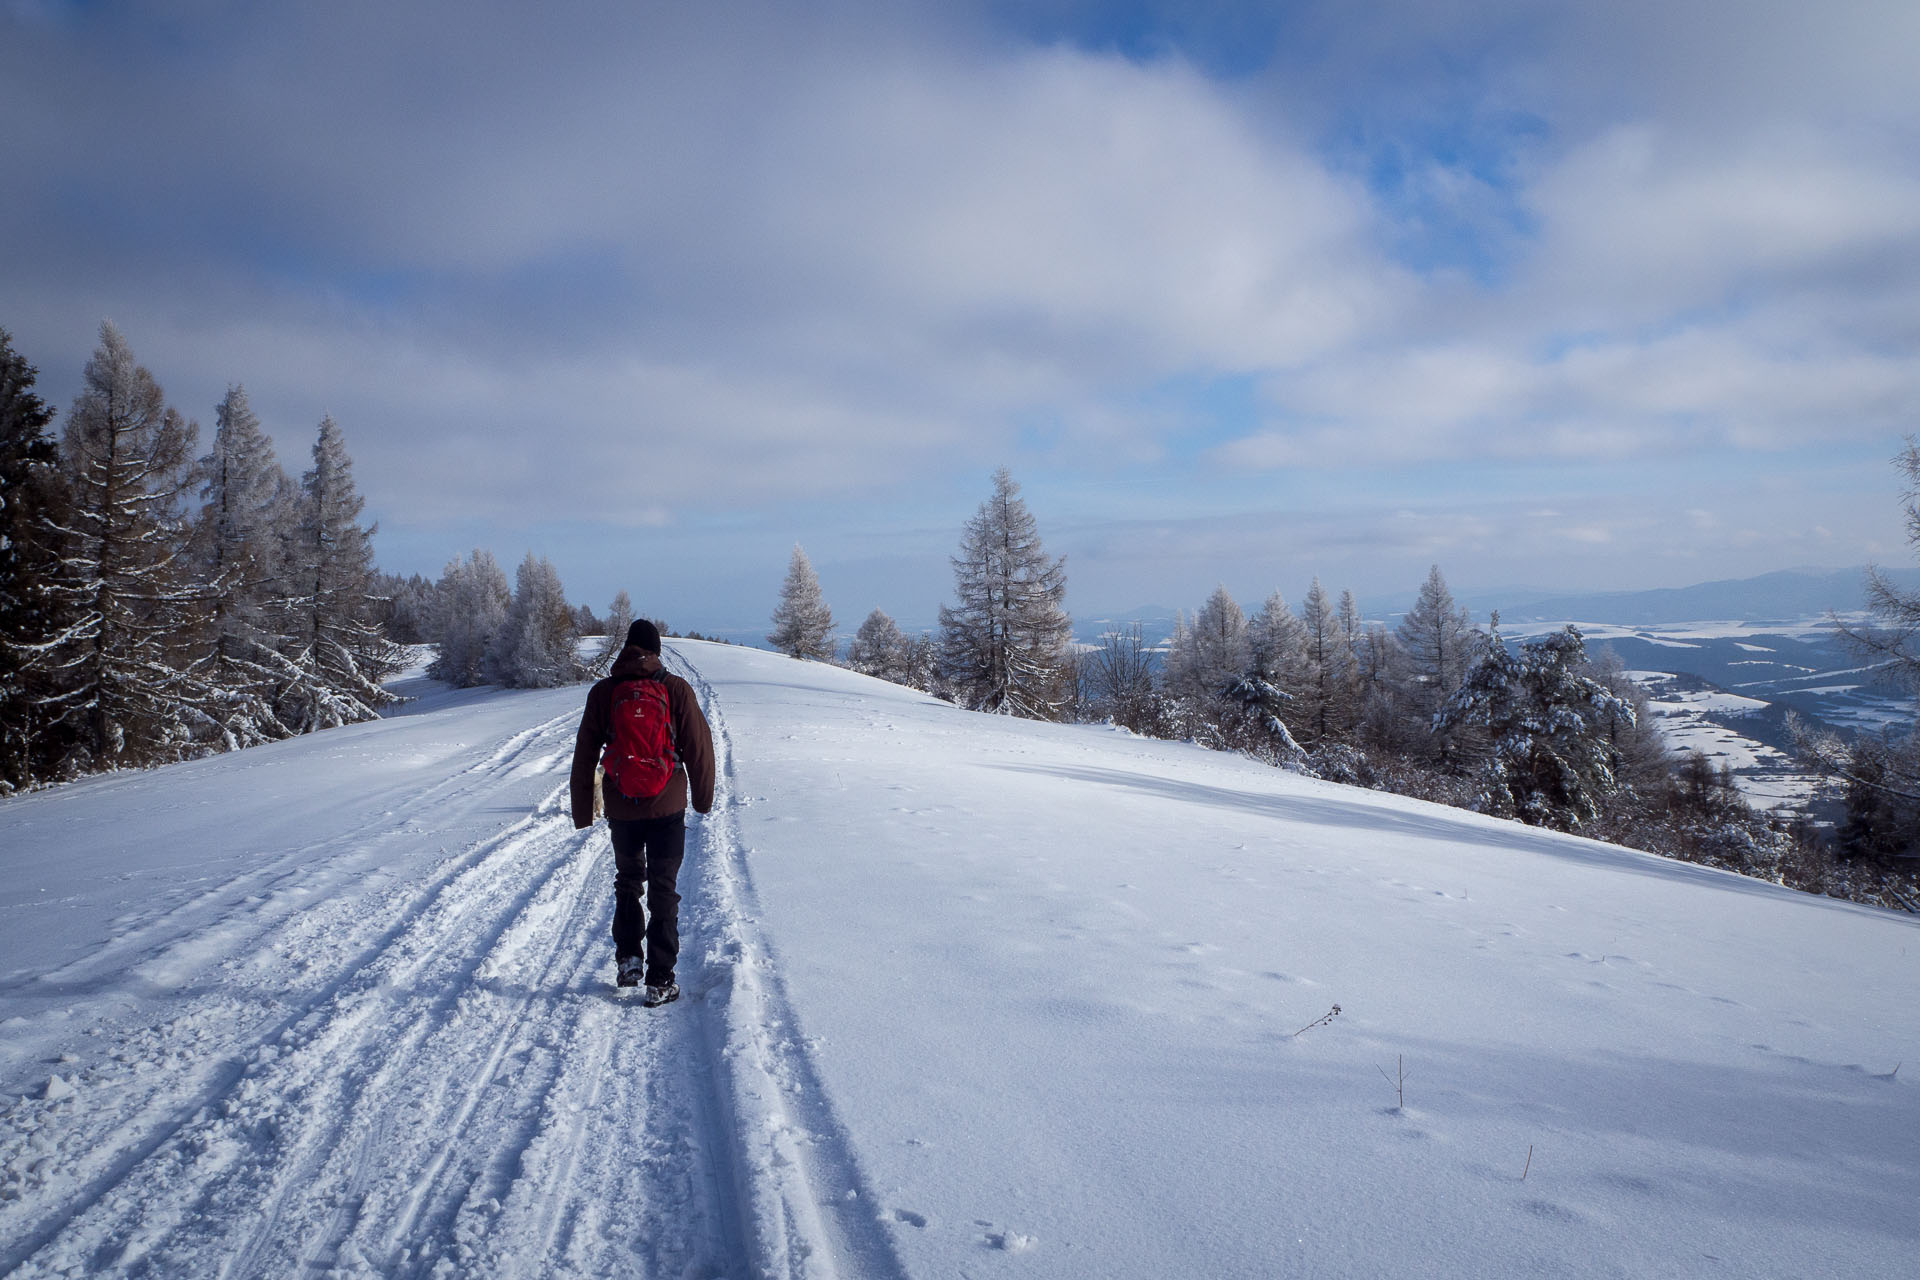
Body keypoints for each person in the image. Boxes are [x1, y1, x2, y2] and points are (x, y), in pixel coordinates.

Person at [570, 618, 715, 1005]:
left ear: (627, 650)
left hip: (622, 807)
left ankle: (629, 960)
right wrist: (702, 798)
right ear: (656, 651)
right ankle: (660, 980)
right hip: (667, 805)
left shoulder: (604, 692)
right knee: (664, 888)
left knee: (628, 880)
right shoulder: (675, 689)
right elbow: (699, 748)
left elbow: (585, 753)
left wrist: (584, 809)